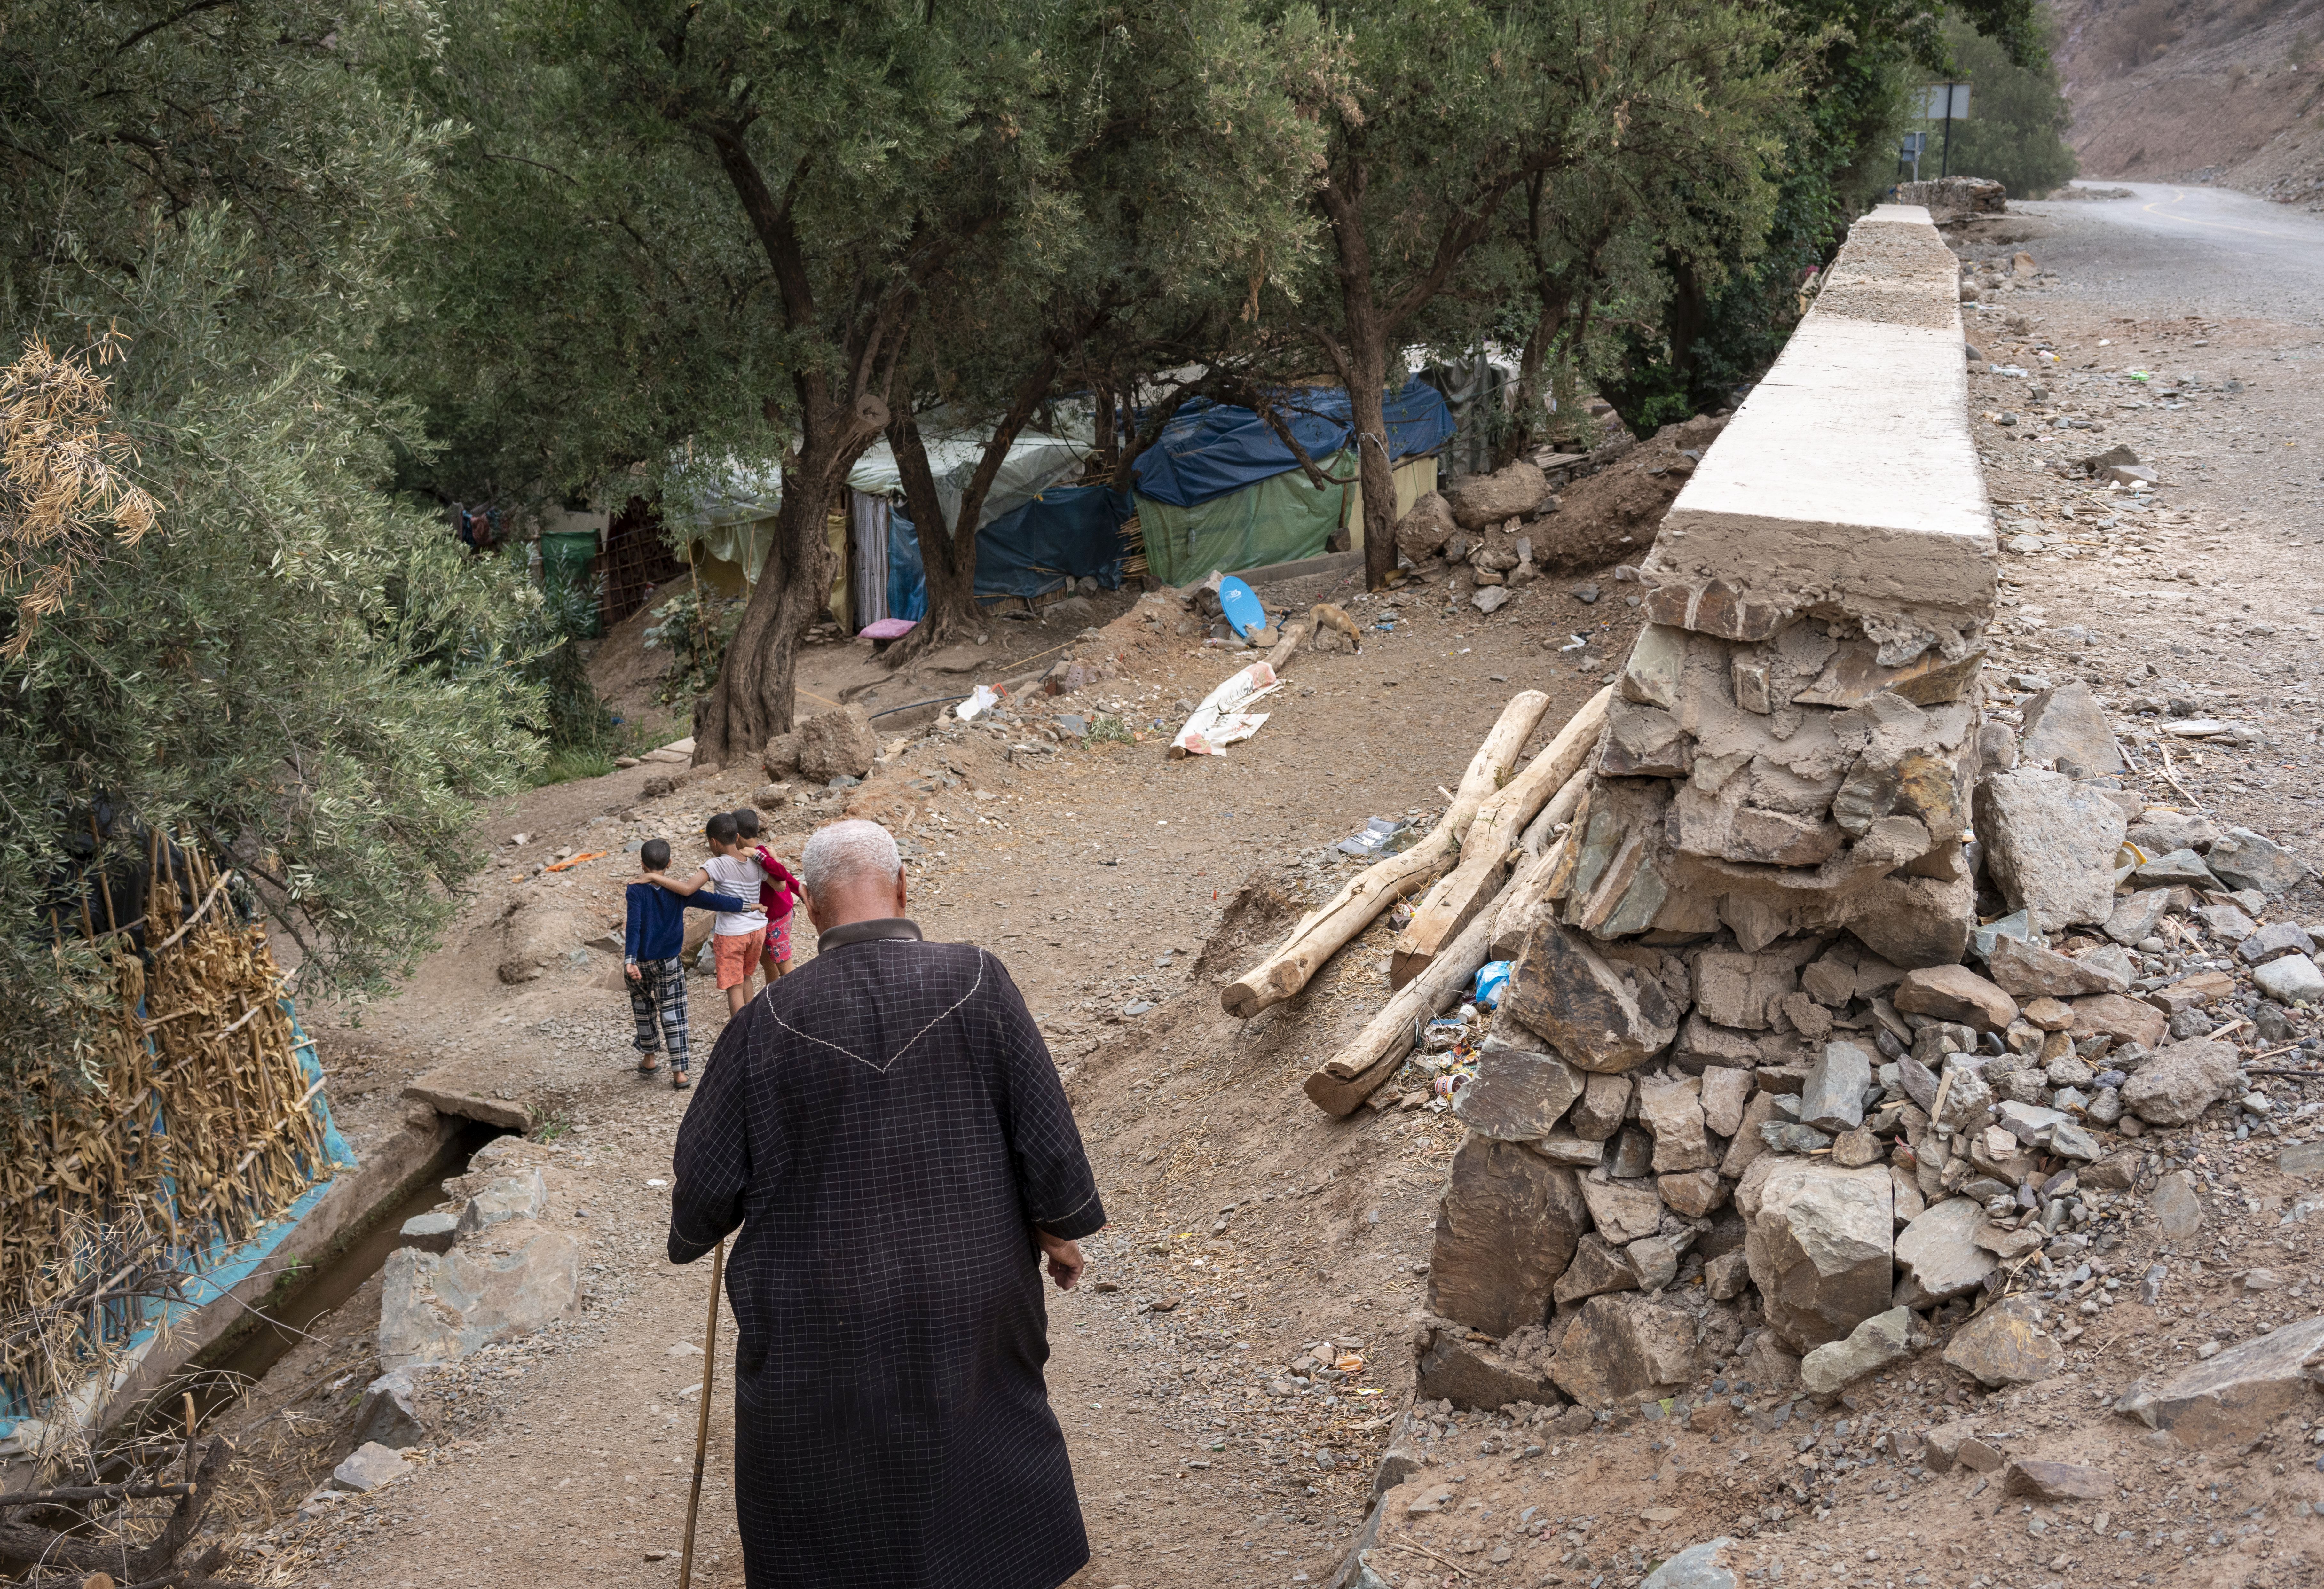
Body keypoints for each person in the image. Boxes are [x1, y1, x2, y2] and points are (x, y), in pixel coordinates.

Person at [667, 818, 1104, 1589]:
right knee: (986, 1444)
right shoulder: (977, 978)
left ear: (806, 908)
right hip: (973, 1289)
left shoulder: (762, 1024)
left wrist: (701, 1226)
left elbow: (705, 1195)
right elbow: (1045, 1137)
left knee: (823, 1476)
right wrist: (1056, 1227)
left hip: (816, 1308)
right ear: (903, 888)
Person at [622, 840, 747, 1090]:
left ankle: (649, 1060)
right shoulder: (679, 891)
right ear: (669, 864)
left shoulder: (635, 890)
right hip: (669, 962)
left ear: (642, 865)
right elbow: (714, 901)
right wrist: (747, 906)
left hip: (640, 964)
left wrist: (630, 960)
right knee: (674, 1013)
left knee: (643, 1010)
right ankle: (680, 1073)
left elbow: (633, 926)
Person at [657, 813, 768, 1016]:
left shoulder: (716, 864)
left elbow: (688, 889)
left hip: (733, 934)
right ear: (737, 837)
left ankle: (740, 1037)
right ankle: (753, 1026)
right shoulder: (755, 861)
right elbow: (778, 884)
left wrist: (654, 878)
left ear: (713, 842)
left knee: (734, 986)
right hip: (758, 930)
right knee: (746, 977)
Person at [730, 806, 803, 985]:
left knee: (784, 966)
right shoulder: (755, 854)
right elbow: (786, 877)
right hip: (764, 918)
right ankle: (771, 998)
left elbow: (781, 875)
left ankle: (797, 1001)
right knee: (767, 963)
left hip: (776, 918)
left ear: (736, 836)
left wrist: (759, 856)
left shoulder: (760, 854)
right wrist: (801, 890)